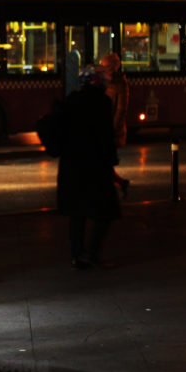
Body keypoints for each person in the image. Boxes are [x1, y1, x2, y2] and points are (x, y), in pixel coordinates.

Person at [57, 65, 120, 270]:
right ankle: (92, 253)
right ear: (98, 81)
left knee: (77, 214)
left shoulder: (72, 99)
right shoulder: (102, 103)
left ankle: (77, 255)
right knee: (106, 211)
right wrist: (112, 164)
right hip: (94, 168)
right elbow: (106, 138)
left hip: (72, 167)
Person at [101, 52, 131, 197]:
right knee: (104, 165)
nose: (104, 70)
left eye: (106, 67)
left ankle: (111, 191)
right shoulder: (105, 83)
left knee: (103, 165)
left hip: (112, 133)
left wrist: (112, 131)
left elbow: (121, 111)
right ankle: (121, 183)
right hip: (105, 131)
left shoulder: (120, 85)